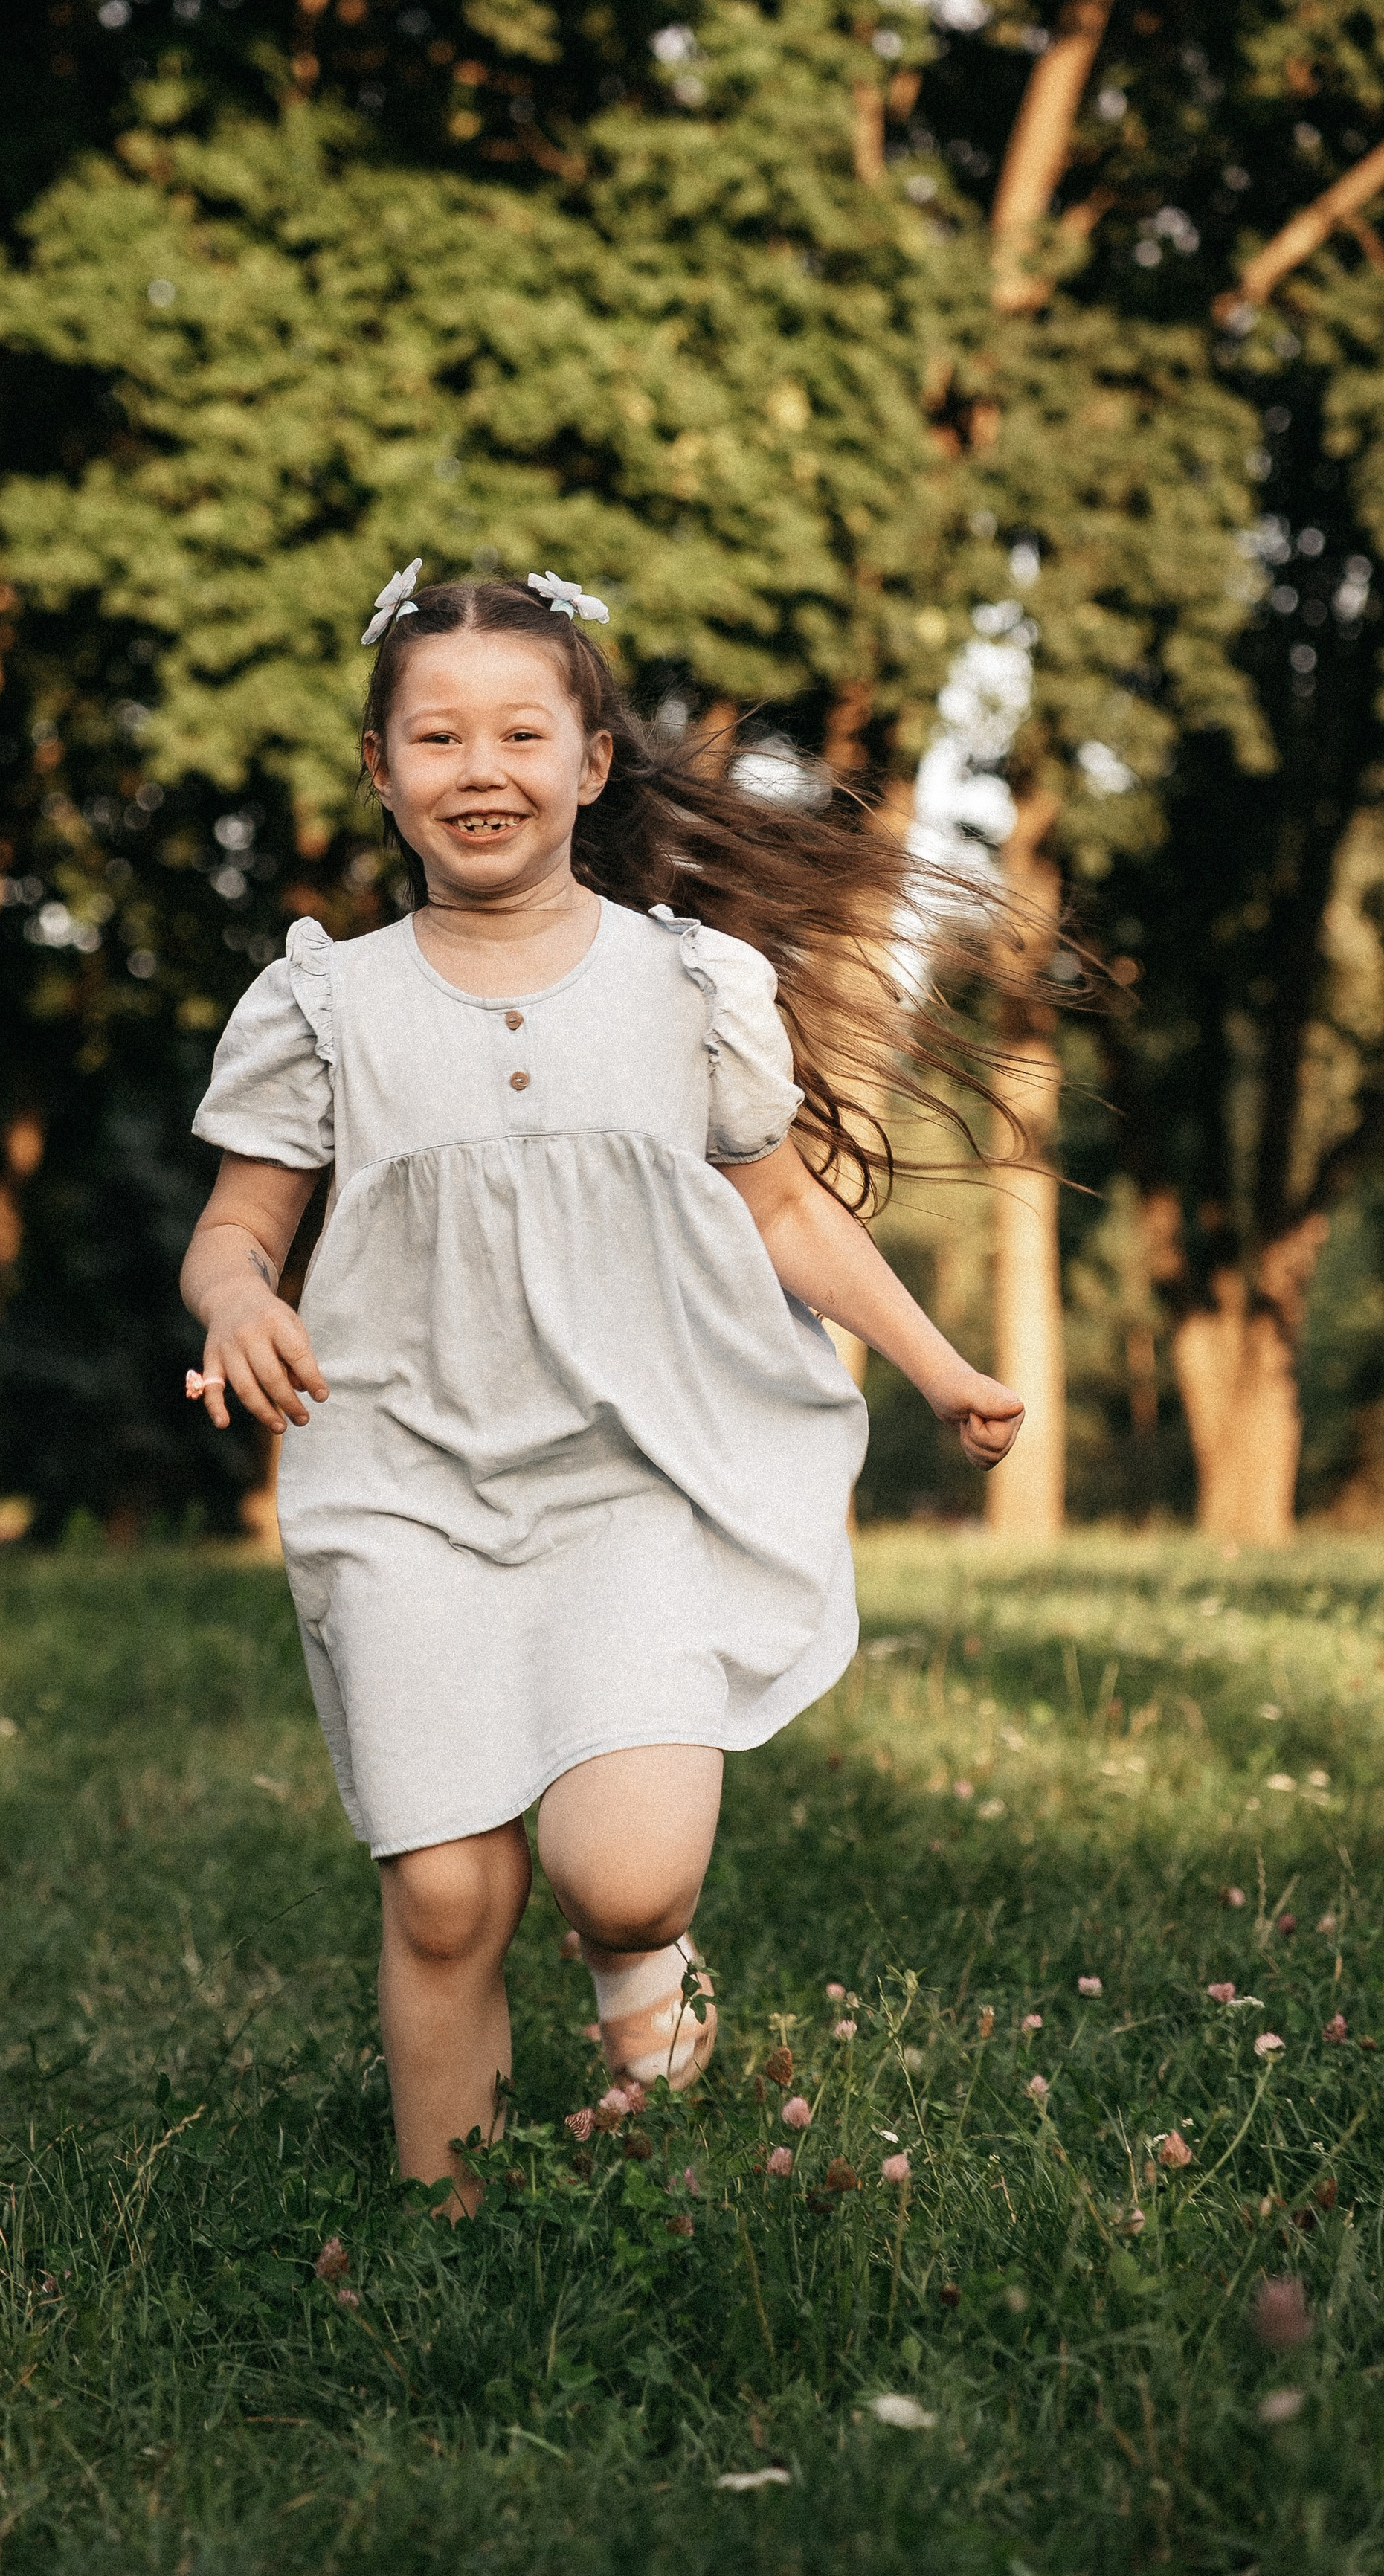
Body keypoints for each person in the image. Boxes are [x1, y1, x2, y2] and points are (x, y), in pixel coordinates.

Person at [178, 562, 1025, 2211]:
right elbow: (236, 1227)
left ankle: (645, 1997)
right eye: (434, 737)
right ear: (379, 771)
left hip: (630, 1475)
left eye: (517, 731)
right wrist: (231, 1305)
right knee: (443, 1894)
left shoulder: (684, 984)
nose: (475, 769)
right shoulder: (322, 1004)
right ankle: (454, 2233)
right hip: (401, 1480)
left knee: (626, 1879)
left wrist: (937, 1366)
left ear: (590, 762)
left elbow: (779, 1204)